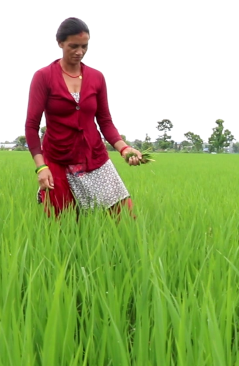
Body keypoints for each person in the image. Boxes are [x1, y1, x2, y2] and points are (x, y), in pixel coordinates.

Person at [25, 17, 143, 217]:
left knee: (125, 216)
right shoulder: (43, 76)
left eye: (84, 46)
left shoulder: (97, 78)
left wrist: (124, 148)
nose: (79, 52)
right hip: (58, 160)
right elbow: (31, 126)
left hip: (93, 156)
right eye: (73, 46)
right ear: (60, 43)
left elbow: (105, 121)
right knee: (62, 224)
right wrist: (41, 167)